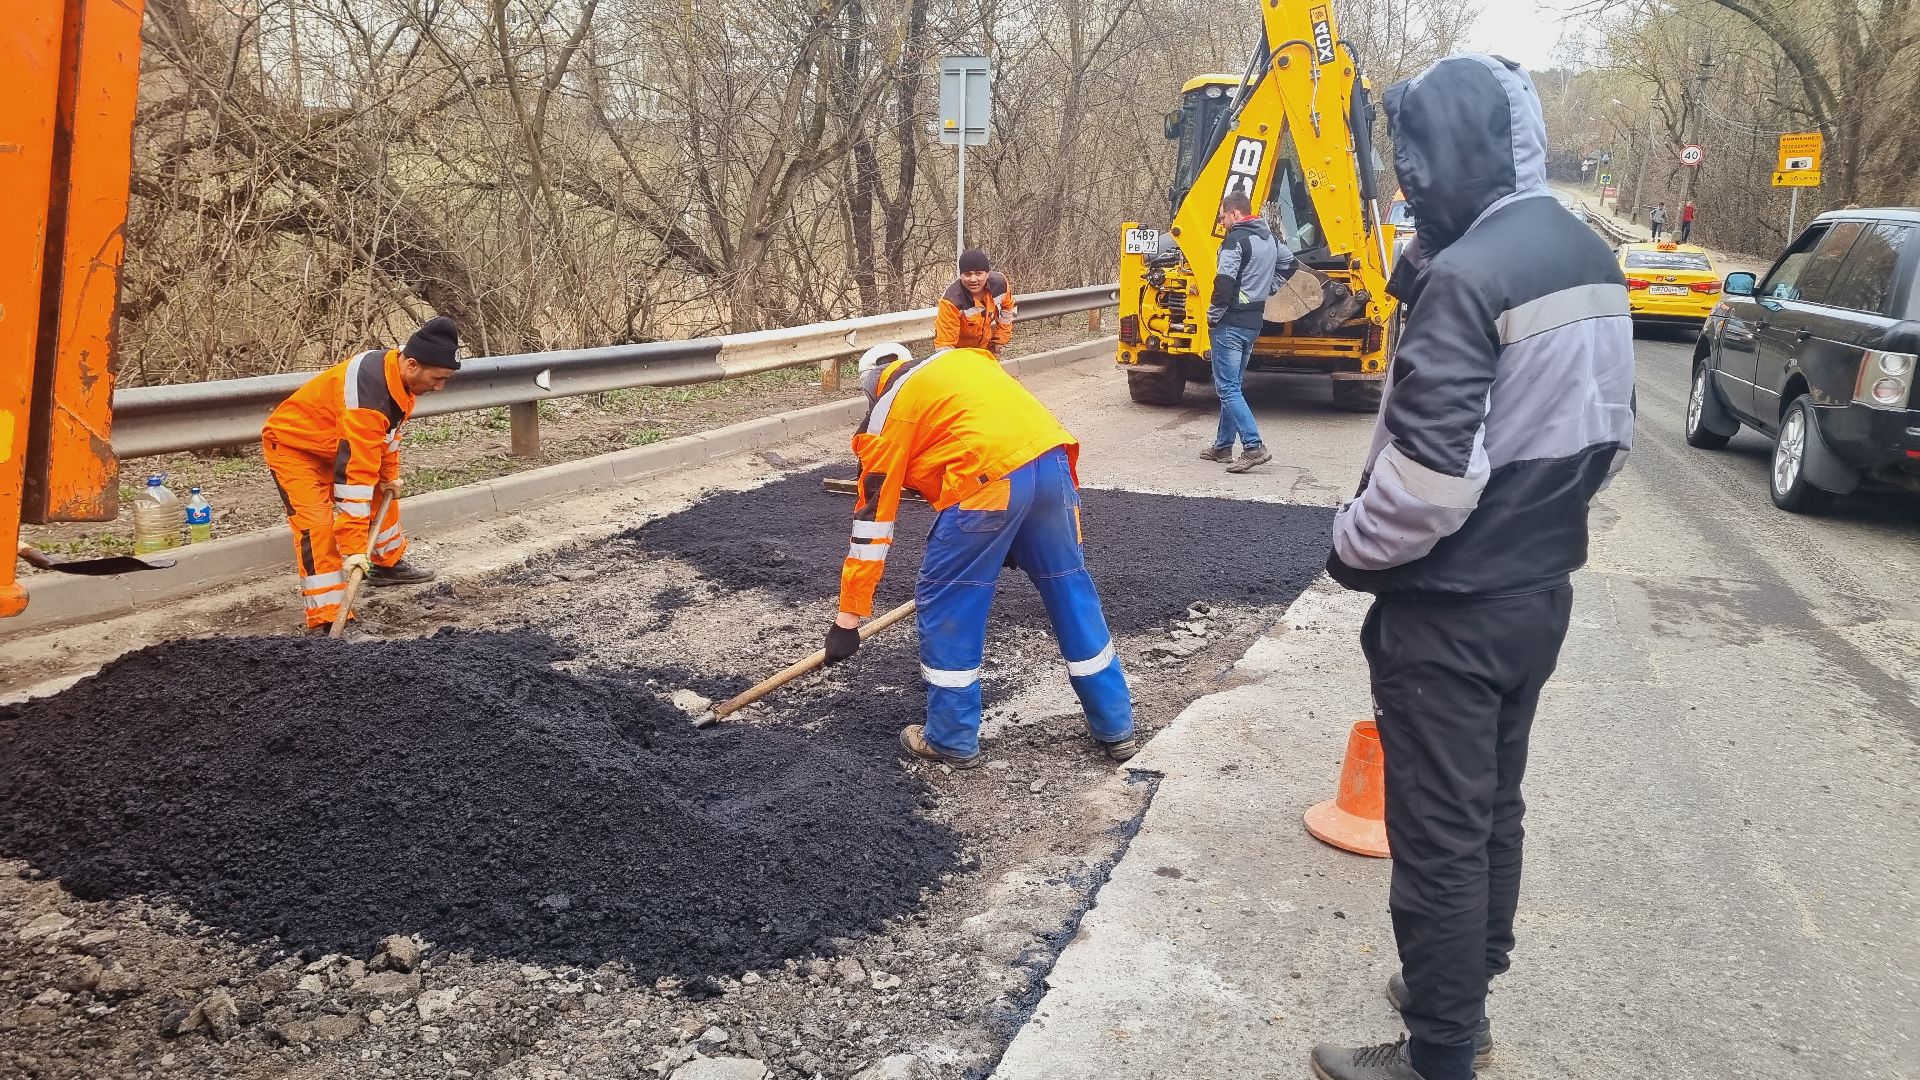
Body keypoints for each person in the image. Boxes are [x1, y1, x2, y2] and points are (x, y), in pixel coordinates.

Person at [1312, 54, 1635, 1080]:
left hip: (1449, 609)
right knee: (1493, 802)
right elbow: (1612, 438)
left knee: (1439, 834)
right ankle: (1465, 979)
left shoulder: (1469, 278)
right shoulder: (1583, 251)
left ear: (1453, 150)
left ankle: (1441, 1050)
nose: (1408, 182)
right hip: (1537, 591)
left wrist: (1348, 546)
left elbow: (1427, 486)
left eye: (1416, 161)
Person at [824, 342, 1136, 768]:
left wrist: (848, 618)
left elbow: (873, 524)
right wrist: (1015, 528)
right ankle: (1116, 726)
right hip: (1052, 469)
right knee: (1070, 589)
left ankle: (951, 738)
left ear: (871, 390)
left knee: (949, 598)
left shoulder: (887, 412)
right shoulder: (963, 360)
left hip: (988, 484)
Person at [261, 317, 460, 634]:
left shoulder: (399, 379)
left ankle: (386, 563)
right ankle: (327, 617)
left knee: (383, 492)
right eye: (438, 378)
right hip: (295, 446)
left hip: (334, 442)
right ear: (412, 365)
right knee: (316, 525)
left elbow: (387, 437)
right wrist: (354, 550)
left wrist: (390, 475)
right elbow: (355, 481)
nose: (440, 386)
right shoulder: (368, 397)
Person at [1199, 191, 1293, 473]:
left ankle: (1253, 446)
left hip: (1230, 322)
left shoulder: (1235, 241)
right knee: (1233, 386)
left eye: (1223, 217)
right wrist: (1269, 288)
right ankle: (1223, 447)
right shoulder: (1270, 239)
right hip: (1253, 322)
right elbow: (1290, 265)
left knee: (1227, 388)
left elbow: (1224, 283)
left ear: (1235, 214)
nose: (1222, 222)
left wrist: (1213, 317)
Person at [933, 250, 1016, 355]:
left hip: (986, 350)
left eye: (978, 274)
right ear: (961, 275)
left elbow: (1007, 309)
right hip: (960, 353)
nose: (973, 279)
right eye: (967, 274)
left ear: (987, 274)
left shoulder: (1000, 285)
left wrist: (1000, 338)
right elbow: (945, 345)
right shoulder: (951, 301)